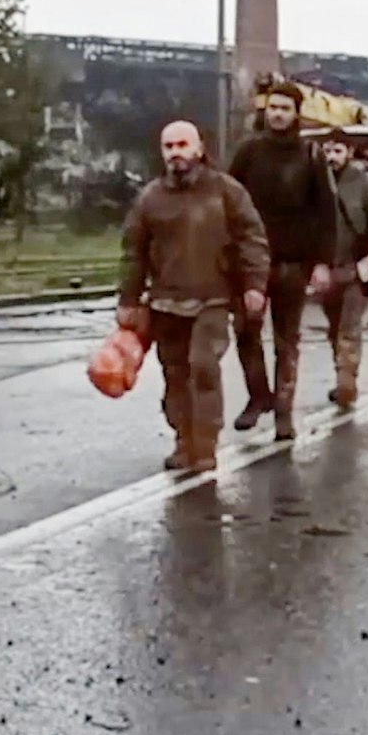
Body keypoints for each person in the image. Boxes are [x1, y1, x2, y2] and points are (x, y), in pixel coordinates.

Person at [118, 122, 270, 470]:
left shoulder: (226, 191)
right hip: (165, 302)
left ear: (199, 149)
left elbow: (253, 239)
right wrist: (128, 300)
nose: (175, 152)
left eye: (182, 144)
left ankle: (205, 445)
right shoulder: (150, 198)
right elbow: (133, 252)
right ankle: (182, 440)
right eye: (168, 146)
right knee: (175, 373)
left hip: (213, 298)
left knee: (203, 367)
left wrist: (254, 286)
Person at [226, 82, 337, 440]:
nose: (277, 114)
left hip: (292, 263)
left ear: (296, 114)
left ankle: (284, 412)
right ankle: (259, 396)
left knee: (287, 340)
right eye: (273, 107)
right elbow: (227, 202)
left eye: (285, 108)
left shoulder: (311, 156)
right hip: (250, 265)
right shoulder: (248, 152)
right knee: (245, 331)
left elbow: (326, 213)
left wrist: (322, 263)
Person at [320, 129, 368, 409]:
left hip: (355, 269)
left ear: (349, 153)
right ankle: (341, 373)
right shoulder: (315, 183)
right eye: (327, 151)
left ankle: (346, 384)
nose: (331, 157)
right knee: (333, 329)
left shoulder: (365, 184)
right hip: (324, 270)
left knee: (349, 328)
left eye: (337, 151)